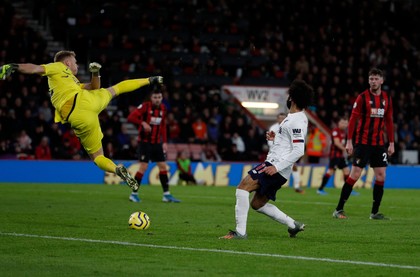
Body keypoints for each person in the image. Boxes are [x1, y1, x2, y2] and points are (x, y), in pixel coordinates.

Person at [0, 51, 163, 191]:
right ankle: (149, 80)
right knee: (117, 88)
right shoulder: (58, 66)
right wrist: (15, 66)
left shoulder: (72, 81)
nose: (76, 65)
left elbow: (94, 86)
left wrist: (95, 74)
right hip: (85, 102)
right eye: (75, 62)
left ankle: (116, 168)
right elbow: (35, 68)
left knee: (97, 157)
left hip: (78, 114)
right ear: (67, 62)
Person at [220, 79, 314, 239]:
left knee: (242, 187)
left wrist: (276, 167)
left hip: (276, 167)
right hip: (278, 168)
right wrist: (277, 137)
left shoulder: (297, 119)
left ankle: (240, 233)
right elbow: (290, 143)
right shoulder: (294, 118)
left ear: (293, 98)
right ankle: (293, 225)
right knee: (257, 204)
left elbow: (299, 150)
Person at [333, 68, 394, 220]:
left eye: (376, 79)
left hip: (379, 144)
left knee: (381, 175)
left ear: (382, 81)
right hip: (362, 143)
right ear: (368, 81)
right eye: (371, 79)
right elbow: (353, 120)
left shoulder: (386, 98)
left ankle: (374, 213)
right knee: (355, 174)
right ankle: (338, 209)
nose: (373, 81)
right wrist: (349, 141)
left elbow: (389, 121)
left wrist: (391, 143)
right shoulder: (362, 98)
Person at [127, 89, 181, 203]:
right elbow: (130, 117)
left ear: (162, 98)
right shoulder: (145, 107)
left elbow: (163, 126)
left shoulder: (163, 108)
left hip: (157, 143)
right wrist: (142, 122)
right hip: (145, 142)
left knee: (163, 166)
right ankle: (133, 194)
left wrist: (165, 142)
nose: (157, 99)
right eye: (155, 97)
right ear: (151, 98)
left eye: (159, 97)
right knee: (143, 167)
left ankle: (166, 195)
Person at [268, 112, 305, 194]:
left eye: (283, 118)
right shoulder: (273, 128)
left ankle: (297, 186)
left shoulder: (290, 126)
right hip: (274, 154)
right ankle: (267, 185)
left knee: (294, 167)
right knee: (270, 169)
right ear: (277, 119)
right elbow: (270, 142)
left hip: (287, 153)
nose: (281, 119)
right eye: (280, 118)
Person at [317, 117, 350, 195]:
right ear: (338, 123)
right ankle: (320, 189)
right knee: (330, 171)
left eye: (346, 123)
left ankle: (347, 190)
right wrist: (345, 149)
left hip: (340, 156)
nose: (344, 125)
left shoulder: (344, 132)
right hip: (334, 155)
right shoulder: (336, 131)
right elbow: (336, 143)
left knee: (346, 171)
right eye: (342, 123)